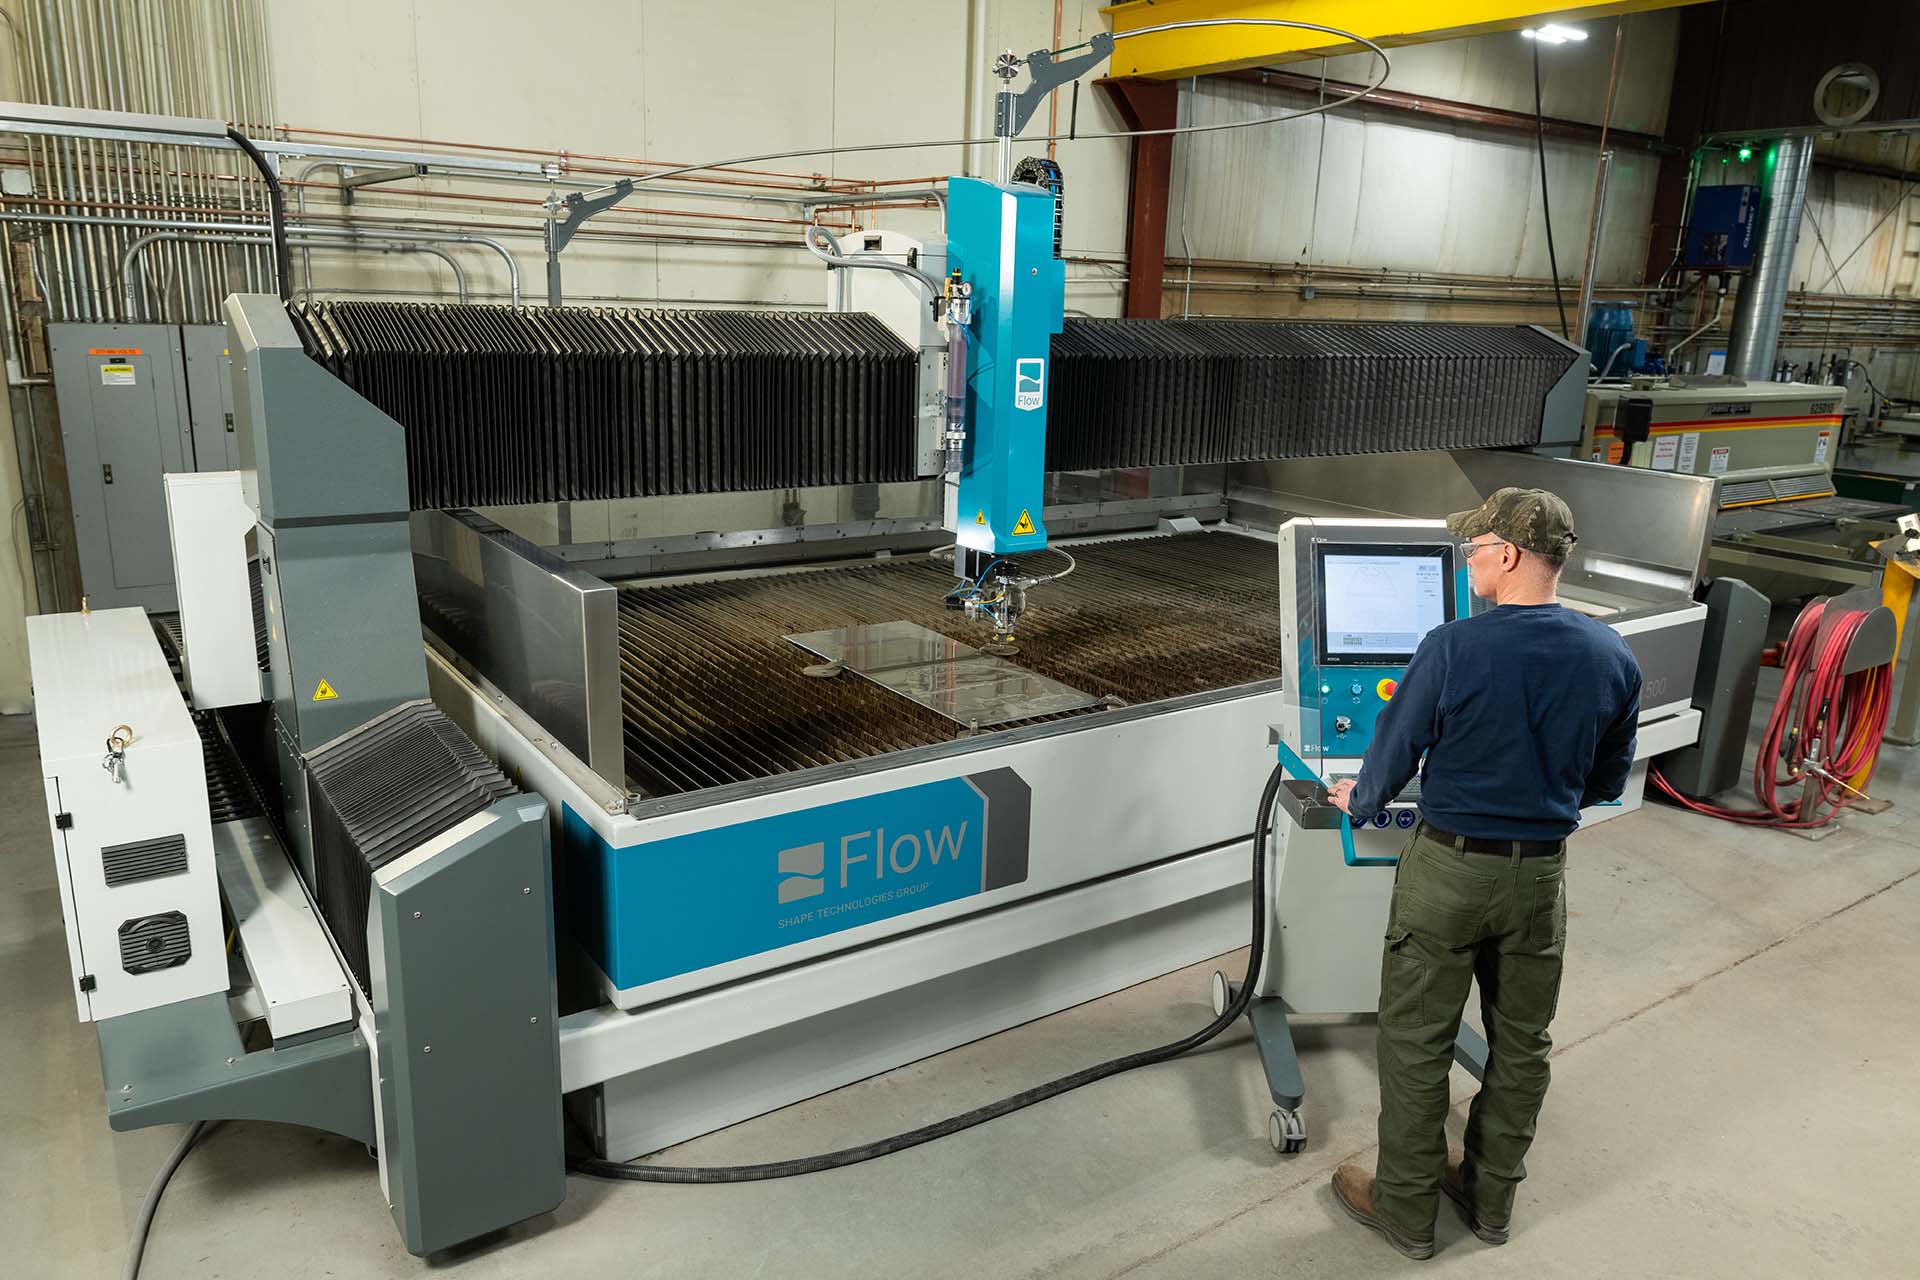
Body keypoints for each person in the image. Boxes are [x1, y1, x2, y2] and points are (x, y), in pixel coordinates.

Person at [1323, 487, 1641, 1260]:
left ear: (1508, 553)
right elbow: (1605, 780)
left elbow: (1394, 753)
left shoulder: (1453, 646)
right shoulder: (1611, 654)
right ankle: (1490, 1199)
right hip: (1539, 880)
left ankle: (1405, 1208)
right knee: (1522, 1043)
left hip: (1449, 871)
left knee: (1417, 1039)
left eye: (1474, 549)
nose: (1468, 562)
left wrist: (1356, 800)